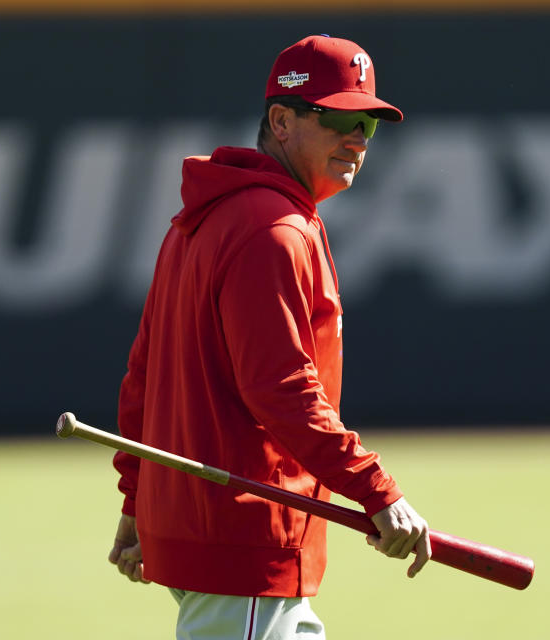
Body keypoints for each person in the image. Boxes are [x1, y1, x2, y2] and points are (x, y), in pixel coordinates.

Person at [109, 34, 431, 639]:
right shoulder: (272, 228)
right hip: (248, 541)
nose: (358, 138)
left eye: (368, 123)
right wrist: (376, 489)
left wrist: (138, 502)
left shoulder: (202, 220)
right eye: (338, 118)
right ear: (281, 120)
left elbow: (142, 382)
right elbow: (280, 389)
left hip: (214, 537)